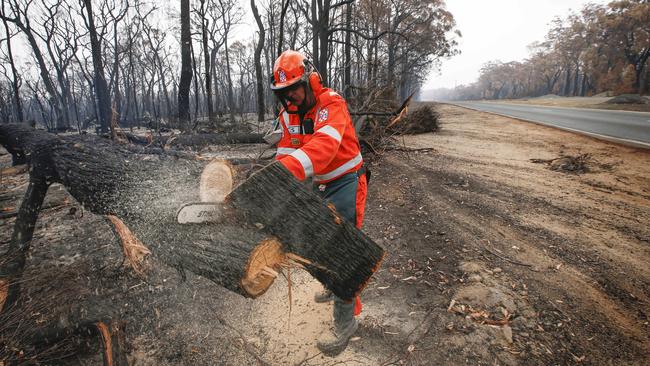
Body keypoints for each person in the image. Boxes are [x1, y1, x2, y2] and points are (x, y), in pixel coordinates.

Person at [268, 50, 367, 356]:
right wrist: (273, 179)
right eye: (284, 93)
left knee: (344, 253)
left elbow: (325, 146)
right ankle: (332, 287)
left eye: (295, 89)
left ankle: (346, 321)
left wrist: (289, 171)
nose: (291, 98)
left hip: (348, 181)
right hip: (322, 184)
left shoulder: (331, 103)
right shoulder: (290, 114)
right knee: (318, 241)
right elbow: (287, 149)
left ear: (311, 81)